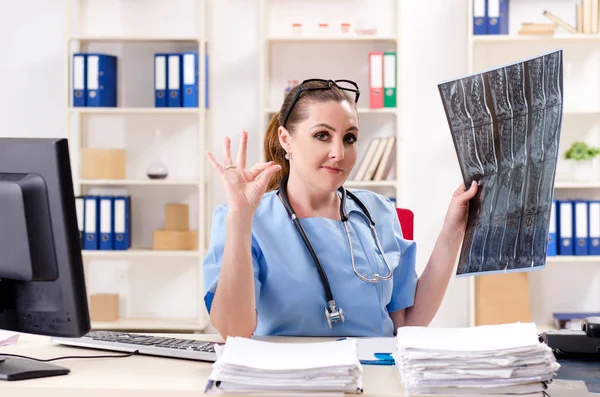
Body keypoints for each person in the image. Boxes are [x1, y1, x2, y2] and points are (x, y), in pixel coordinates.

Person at [203, 79, 477, 339]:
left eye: (349, 138)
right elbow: (234, 332)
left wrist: (453, 231)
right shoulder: (247, 218)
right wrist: (240, 215)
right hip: (289, 380)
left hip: (371, 375)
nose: (339, 153)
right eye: (322, 135)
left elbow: (406, 325)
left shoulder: (378, 211)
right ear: (286, 139)